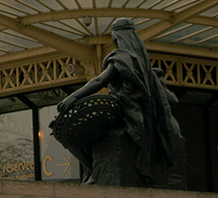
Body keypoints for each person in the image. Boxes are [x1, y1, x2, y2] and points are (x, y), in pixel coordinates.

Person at [56, 18, 184, 188]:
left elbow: (99, 80)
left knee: (62, 131)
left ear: (117, 37)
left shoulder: (122, 58)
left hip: (126, 114)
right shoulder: (144, 62)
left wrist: (72, 97)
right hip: (139, 117)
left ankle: (93, 170)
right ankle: (93, 171)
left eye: (114, 37)